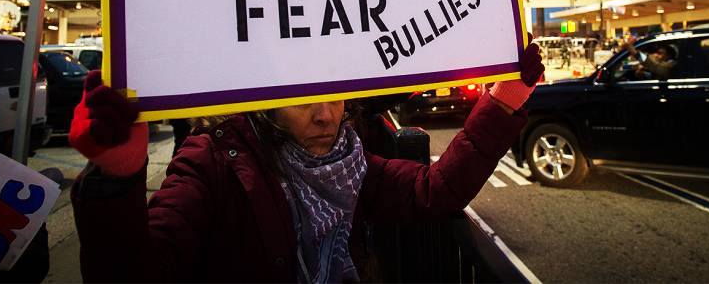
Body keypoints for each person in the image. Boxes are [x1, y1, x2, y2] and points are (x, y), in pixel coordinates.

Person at [68, 41, 544, 283]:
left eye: (336, 99)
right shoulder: (212, 162)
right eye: (304, 102)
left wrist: (506, 98)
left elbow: (432, 190)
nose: (326, 116)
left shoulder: (350, 160)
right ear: (265, 103)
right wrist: (116, 180)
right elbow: (140, 273)